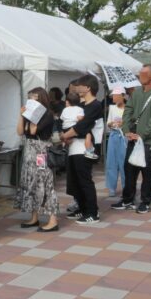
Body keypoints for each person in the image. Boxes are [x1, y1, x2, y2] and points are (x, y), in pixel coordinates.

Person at [112, 64, 151, 214]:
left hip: (148, 141)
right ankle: (127, 199)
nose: (140, 76)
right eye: (140, 73)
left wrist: (142, 135)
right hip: (133, 139)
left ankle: (145, 201)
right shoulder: (136, 93)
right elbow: (128, 111)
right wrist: (127, 130)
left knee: (147, 171)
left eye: (144, 73)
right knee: (129, 170)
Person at [14, 87, 59, 232]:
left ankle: (53, 220)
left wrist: (33, 114)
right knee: (30, 183)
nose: (31, 101)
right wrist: (21, 115)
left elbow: (33, 131)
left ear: (41, 98)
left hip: (41, 152)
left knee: (45, 183)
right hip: (29, 152)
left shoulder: (47, 114)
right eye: (30, 98)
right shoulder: (29, 114)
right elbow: (21, 132)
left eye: (34, 98)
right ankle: (34, 217)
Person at [60, 75, 102, 225]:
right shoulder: (82, 106)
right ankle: (83, 209)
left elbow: (82, 127)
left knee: (85, 180)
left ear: (88, 88)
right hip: (74, 147)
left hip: (86, 148)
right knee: (76, 180)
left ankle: (93, 212)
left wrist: (64, 136)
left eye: (80, 86)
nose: (77, 89)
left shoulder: (96, 106)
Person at [105, 86, 127, 197]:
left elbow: (130, 123)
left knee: (123, 163)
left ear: (122, 96)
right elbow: (108, 122)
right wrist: (112, 124)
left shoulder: (128, 108)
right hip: (113, 135)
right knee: (111, 162)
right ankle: (111, 187)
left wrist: (122, 123)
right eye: (113, 96)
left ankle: (125, 187)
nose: (113, 97)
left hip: (124, 137)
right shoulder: (112, 108)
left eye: (115, 95)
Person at [61, 93, 97, 160]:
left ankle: (64, 146)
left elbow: (62, 118)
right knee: (88, 135)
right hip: (75, 128)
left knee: (68, 139)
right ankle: (89, 151)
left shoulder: (64, 110)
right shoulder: (79, 109)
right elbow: (81, 118)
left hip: (65, 129)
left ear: (67, 102)